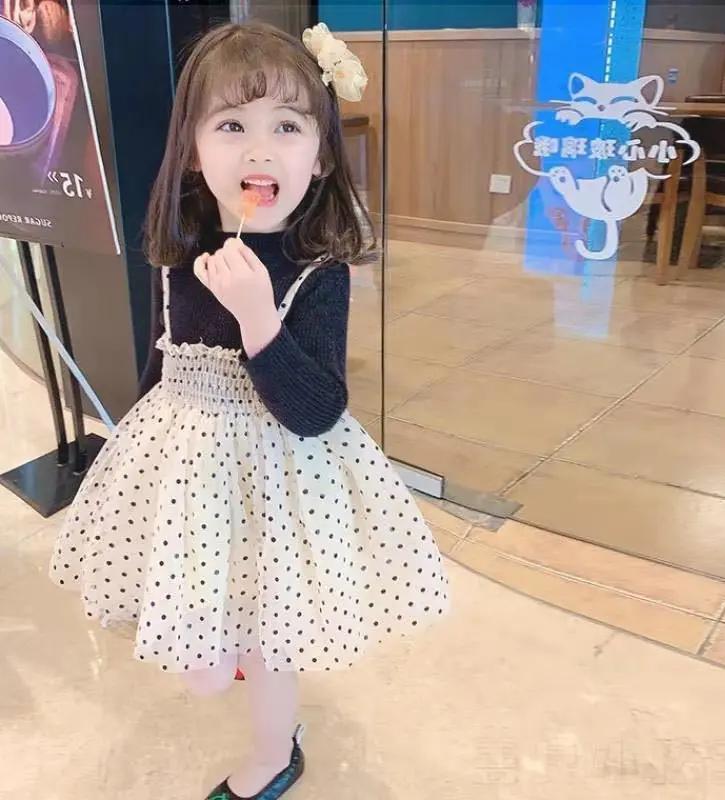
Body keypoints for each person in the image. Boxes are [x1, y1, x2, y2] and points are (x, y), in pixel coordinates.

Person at [49, 20, 449, 800]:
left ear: (321, 155)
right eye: (232, 125)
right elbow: (161, 362)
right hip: (191, 481)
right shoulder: (181, 254)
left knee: (268, 646)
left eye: (287, 127)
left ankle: (276, 753)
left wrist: (258, 316)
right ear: (194, 150)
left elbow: (316, 410)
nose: (259, 150)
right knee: (203, 668)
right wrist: (134, 455)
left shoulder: (318, 272)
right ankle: (237, 652)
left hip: (280, 485)